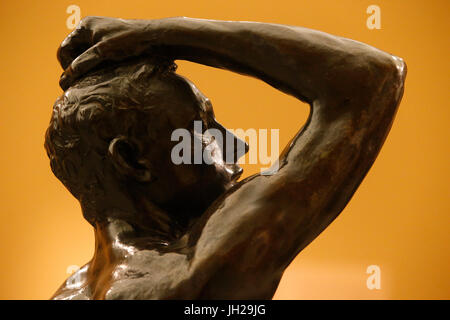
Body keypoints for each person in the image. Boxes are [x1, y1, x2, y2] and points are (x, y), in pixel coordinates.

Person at [46, 17, 406, 299]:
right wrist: (157, 33)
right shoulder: (187, 277)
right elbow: (372, 75)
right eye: (201, 128)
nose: (237, 146)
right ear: (132, 160)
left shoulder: (66, 294)